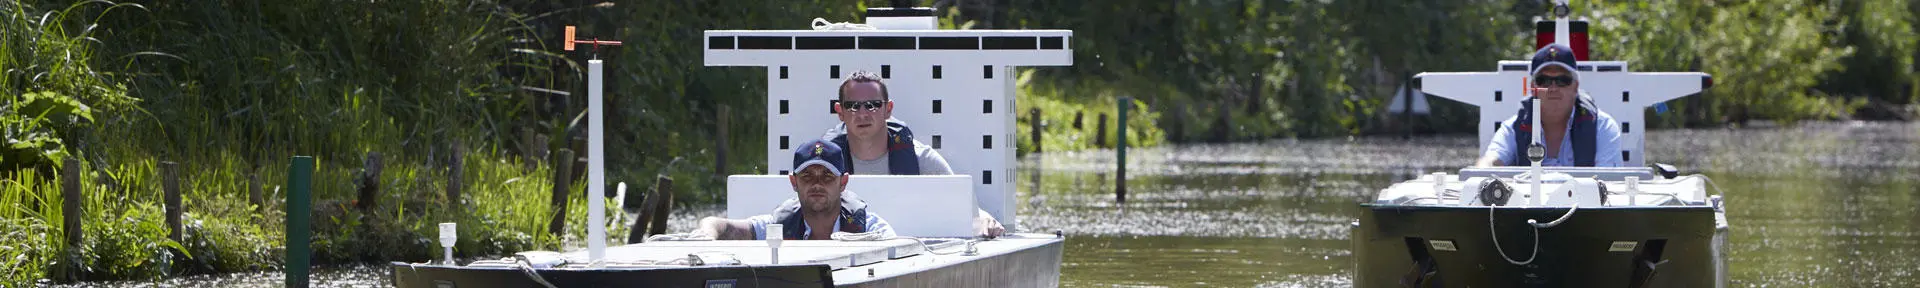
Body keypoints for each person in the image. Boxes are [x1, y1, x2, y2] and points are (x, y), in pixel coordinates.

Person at [821, 70, 1005, 237]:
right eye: (853, 106)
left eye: (872, 105)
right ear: (840, 112)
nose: (862, 114)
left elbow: (967, 210)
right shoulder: (822, 165)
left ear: (888, 109)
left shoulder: (922, 160)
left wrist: (985, 219)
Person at [692, 140, 895, 240]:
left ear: (843, 183)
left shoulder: (872, 230)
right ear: (793, 182)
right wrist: (706, 236)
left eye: (827, 176)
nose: (817, 184)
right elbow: (718, 225)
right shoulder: (776, 227)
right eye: (807, 176)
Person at [1476, 43, 1624, 167]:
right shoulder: (1513, 128)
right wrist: (1482, 170)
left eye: (1562, 80)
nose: (1553, 88)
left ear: (1575, 86)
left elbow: (1608, 182)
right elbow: (1490, 161)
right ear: (1533, 88)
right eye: (1544, 81)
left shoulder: (1603, 127)